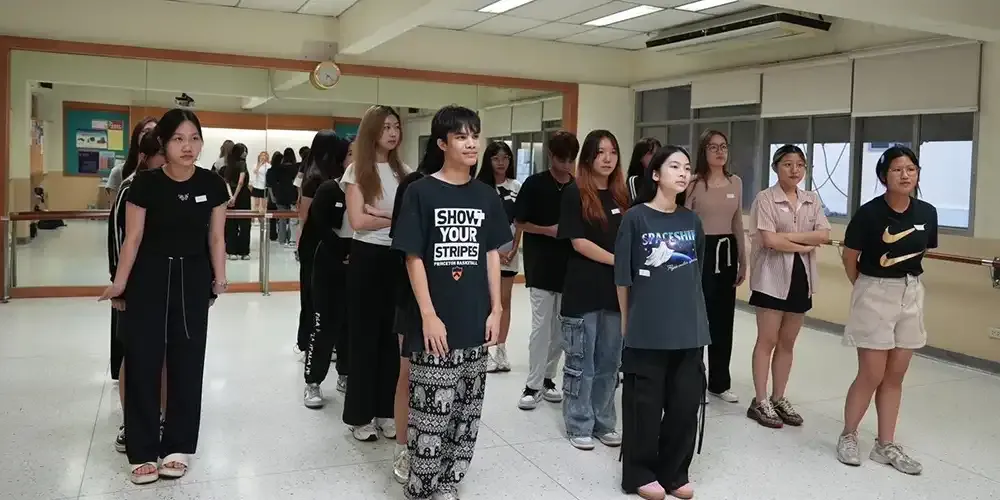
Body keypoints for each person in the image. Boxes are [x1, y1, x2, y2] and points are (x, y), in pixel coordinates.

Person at [99, 108, 229, 484]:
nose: (188, 146)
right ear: (164, 144)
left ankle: (177, 445)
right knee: (143, 361)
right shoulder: (144, 184)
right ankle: (141, 450)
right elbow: (132, 238)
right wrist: (120, 283)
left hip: (192, 278)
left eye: (194, 138)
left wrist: (220, 278)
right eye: (178, 139)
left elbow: (216, 237)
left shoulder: (213, 184)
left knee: (187, 362)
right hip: (149, 277)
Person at [392, 104, 511, 500]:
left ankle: (449, 482)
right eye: (461, 136)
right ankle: (421, 487)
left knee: (466, 410)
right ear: (442, 144)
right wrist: (428, 315)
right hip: (436, 321)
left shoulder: (486, 196)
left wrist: (496, 310)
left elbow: (491, 253)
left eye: (474, 135)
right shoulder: (421, 192)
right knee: (431, 411)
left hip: (475, 318)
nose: (471, 143)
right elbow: (413, 257)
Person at [614, 145, 708, 500]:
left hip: (689, 329)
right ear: (655, 174)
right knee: (645, 407)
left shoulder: (691, 221)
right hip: (647, 329)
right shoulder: (635, 218)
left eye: (687, 167)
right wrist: (627, 324)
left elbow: (695, 274)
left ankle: (674, 472)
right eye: (674, 166)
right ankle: (640, 472)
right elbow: (623, 278)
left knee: (684, 406)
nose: (683, 173)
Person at [836, 145, 935, 475]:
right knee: (871, 373)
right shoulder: (869, 214)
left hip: (911, 292)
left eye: (911, 169)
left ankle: (885, 444)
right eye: (897, 169)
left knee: (895, 375)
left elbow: (921, 252)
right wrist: (865, 288)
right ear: (883, 176)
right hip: (874, 290)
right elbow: (850, 257)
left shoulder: (927, 213)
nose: (905, 175)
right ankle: (849, 435)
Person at [746, 144, 831, 428]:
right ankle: (760, 401)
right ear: (775, 168)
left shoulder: (811, 199)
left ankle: (779, 397)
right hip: (770, 278)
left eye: (800, 165)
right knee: (767, 340)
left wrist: (790, 239)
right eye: (787, 164)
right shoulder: (765, 198)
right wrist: (804, 243)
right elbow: (769, 240)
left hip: (800, 278)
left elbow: (823, 234)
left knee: (787, 342)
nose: (794, 170)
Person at [340, 105, 410, 441]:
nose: (392, 133)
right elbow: (358, 221)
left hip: (397, 258)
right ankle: (360, 416)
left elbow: (410, 219)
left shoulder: (405, 172)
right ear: (371, 131)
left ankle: (386, 410)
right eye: (385, 127)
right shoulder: (357, 171)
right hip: (367, 257)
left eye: (396, 126)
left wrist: (380, 215)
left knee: (391, 340)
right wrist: (391, 219)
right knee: (364, 338)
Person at [557, 130, 627, 451]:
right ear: (588, 157)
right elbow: (579, 242)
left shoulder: (621, 196)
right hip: (584, 290)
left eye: (612, 152)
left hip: (615, 293)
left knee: (609, 362)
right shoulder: (575, 193)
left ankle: (604, 421)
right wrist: (618, 261)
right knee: (582, 362)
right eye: (600, 152)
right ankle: (579, 422)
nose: (607, 158)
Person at [107, 131, 168, 454]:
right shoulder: (131, 187)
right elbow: (118, 238)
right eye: (162, 154)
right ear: (145, 156)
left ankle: (162, 417)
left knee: (166, 356)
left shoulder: (172, 185)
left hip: (167, 284)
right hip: (135, 284)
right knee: (135, 355)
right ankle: (131, 421)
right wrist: (119, 285)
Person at [514, 130, 578, 410]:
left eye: (571, 160)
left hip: (570, 268)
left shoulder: (577, 187)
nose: (567, 165)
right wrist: (548, 230)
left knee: (561, 329)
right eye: (562, 159)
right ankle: (532, 384)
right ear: (551, 155)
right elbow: (520, 222)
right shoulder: (535, 184)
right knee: (541, 327)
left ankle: (549, 378)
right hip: (540, 265)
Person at [683, 130, 746, 404]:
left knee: (723, 320)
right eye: (713, 147)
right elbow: (685, 221)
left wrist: (743, 259)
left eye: (724, 147)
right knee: (699, 319)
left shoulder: (736, 182)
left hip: (727, 252)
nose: (720, 152)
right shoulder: (693, 183)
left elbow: (737, 223)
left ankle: (719, 382)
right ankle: (694, 381)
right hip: (700, 251)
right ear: (703, 151)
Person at [387, 141, 436, 485]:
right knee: (409, 372)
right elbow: (402, 247)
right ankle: (404, 446)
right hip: (413, 296)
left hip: (457, 298)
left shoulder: (472, 191)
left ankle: (438, 446)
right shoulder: (414, 186)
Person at [298, 131, 354, 408]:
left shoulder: (370, 190)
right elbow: (317, 226)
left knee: (350, 325)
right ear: (342, 159)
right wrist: (342, 252)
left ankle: (345, 374)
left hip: (356, 265)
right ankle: (313, 381)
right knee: (323, 324)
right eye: (352, 155)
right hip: (328, 263)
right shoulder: (329, 189)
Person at [108, 116, 158, 381]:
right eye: (145, 131)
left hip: (156, 274)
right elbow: (120, 232)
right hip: (132, 273)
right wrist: (118, 279)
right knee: (132, 346)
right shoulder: (127, 179)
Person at [475, 141, 521, 373]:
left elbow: (520, 222)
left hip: (510, 251)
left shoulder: (516, 186)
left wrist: (514, 249)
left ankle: (501, 348)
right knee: (486, 300)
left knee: (505, 300)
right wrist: (492, 251)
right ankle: (485, 349)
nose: (501, 162)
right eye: (496, 158)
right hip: (486, 251)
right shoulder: (479, 187)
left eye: (505, 158)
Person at [625, 137, 661, 202]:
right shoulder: (634, 180)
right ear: (640, 157)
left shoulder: (662, 179)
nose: (655, 156)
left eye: (657, 153)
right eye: (650, 153)